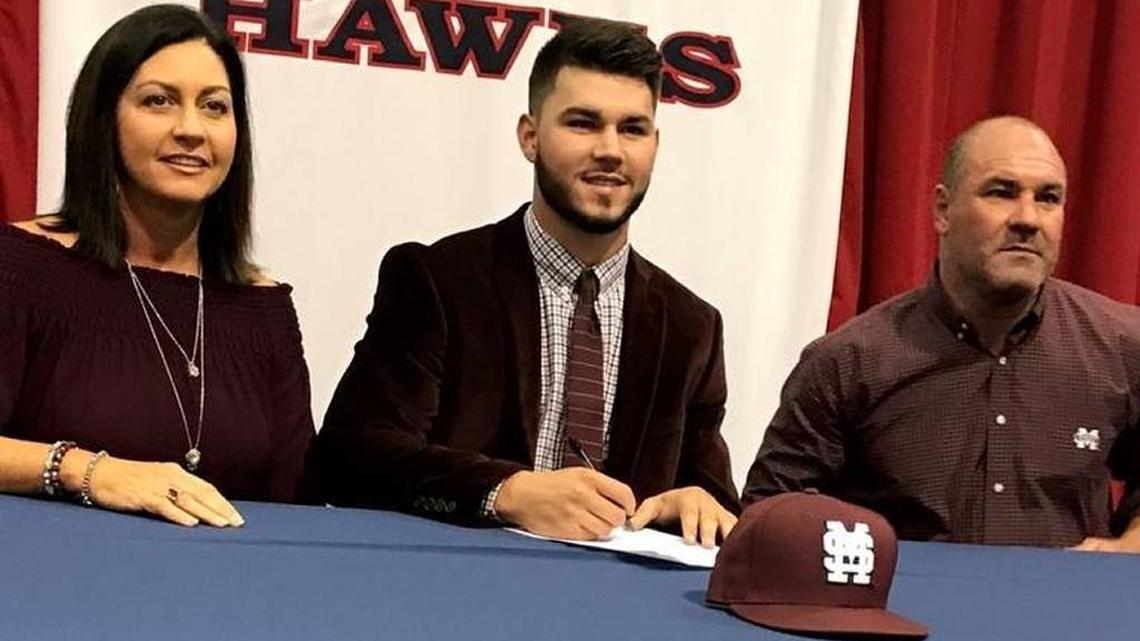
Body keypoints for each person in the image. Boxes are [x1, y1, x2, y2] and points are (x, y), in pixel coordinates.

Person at [316, 17, 740, 547]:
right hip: (455, 593)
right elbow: (352, 455)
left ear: (654, 143)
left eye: (632, 128)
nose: (610, 149)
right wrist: (507, 492)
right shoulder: (439, 280)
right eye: (583, 123)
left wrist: (699, 502)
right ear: (530, 137)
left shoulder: (691, 325)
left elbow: (715, 499)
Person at [743, 116, 1140, 552]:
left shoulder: (1122, 348)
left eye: (1048, 198)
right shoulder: (849, 362)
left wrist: (1131, 544)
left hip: (1065, 615)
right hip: (901, 616)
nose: (1028, 218)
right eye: (1001, 192)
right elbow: (768, 517)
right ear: (942, 210)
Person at [0, 4, 316, 526]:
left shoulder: (263, 307)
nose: (191, 129)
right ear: (104, 119)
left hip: (226, 595)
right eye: (159, 101)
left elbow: (298, 502)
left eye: (214, 107)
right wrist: (87, 471)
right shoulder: (22, 267)